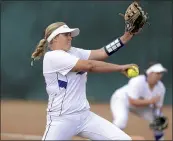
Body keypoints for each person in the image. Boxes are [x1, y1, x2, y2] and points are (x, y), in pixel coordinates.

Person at [31, 21, 143, 140]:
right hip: (61, 120)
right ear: (54, 38)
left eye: (70, 35)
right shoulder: (52, 57)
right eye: (66, 34)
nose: (70, 37)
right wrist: (119, 68)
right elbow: (90, 66)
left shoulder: (74, 52)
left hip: (84, 116)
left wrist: (126, 37)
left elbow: (102, 52)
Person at [110, 63, 167, 140]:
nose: (159, 75)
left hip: (141, 105)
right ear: (149, 73)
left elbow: (158, 107)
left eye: (161, 73)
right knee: (121, 121)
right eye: (157, 73)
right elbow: (132, 102)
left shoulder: (161, 87)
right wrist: (150, 101)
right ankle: (110, 137)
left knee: (159, 120)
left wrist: (158, 116)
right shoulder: (137, 81)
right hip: (121, 99)